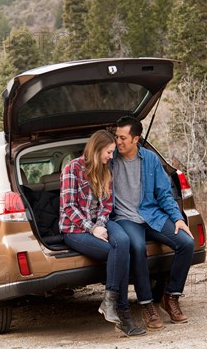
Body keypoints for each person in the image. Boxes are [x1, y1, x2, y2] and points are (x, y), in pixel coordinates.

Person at [111, 116, 195, 330]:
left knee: (186, 243)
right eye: (116, 137)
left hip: (151, 214)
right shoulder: (110, 159)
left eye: (122, 138)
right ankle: (147, 304)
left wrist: (177, 218)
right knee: (137, 248)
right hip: (125, 217)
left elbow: (164, 193)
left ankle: (171, 297)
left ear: (136, 139)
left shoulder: (150, 159)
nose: (118, 141)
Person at [59, 129, 145, 336]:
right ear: (97, 150)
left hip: (100, 221)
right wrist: (92, 228)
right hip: (75, 228)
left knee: (123, 242)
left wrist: (101, 224)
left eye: (112, 152)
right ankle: (123, 315)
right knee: (118, 254)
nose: (110, 156)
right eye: (108, 152)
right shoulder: (73, 169)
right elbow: (69, 207)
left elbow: (106, 205)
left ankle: (109, 301)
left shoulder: (106, 170)